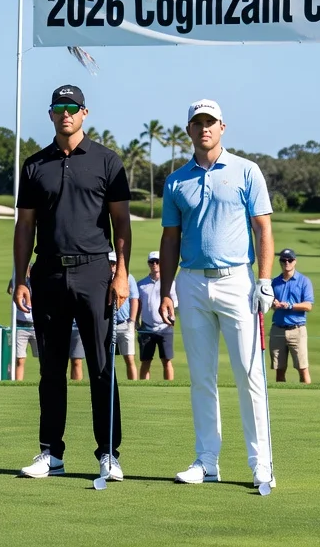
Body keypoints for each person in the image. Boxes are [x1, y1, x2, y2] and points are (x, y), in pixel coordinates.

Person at [13, 85, 131, 483]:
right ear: (51, 114)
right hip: (47, 272)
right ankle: (51, 452)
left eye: (72, 108)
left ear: (84, 113)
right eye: (59, 108)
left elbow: (121, 222)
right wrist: (20, 277)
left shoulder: (106, 160)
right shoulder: (35, 165)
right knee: (51, 369)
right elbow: (25, 226)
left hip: (95, 271)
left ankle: (108, 453)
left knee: (101, 367)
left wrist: (122, 273)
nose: (66, 114)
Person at [156, 98, 274, 491]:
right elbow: (170, 239)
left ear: (222, 127)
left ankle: (261, 464)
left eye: (210, 122)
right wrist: (166, 290)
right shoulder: (176, 181)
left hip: (237, 280)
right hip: (191, 283)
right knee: (202, 378)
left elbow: (263, 229)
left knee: (249, 374)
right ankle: (207, 461)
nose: (204, 128)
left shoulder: (246, 170)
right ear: (188, 130)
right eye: (197, 122)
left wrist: (265, 280)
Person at [269, 249, 314, 384]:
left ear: (295, 261)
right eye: (283, 260)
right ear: (280, 262)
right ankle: (282, 396)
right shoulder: (274, 282)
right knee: (279, 369)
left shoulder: (304, 281)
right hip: (278, 329)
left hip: (297, 329)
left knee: (302, 368)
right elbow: (269, 304)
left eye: (290, 260)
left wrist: (289, 306)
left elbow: (308, 306)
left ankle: (308, 395)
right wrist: (273, 304)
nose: (287, 263)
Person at [136, 251, 176, 381]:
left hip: (165, 327)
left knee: (166, 361)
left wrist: (171, 318)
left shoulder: (170, 283)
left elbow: (174, 303)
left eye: (157, 262)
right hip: (146, 328)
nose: (154, 264)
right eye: (152, 262)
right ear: (148, 264)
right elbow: (138, 305)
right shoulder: (141, 284)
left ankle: (169, 388)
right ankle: (143, 388)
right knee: (145, 362)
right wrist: (136, 321)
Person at [109, 251, 139, 381]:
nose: (111, 266)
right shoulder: (101, 278)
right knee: (107, 358)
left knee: (129, 358)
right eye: (109, 263)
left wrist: (132, 321)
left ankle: (133, 384)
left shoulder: (128, 277)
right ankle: (109, 383)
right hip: (107, 323)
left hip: (124, 323)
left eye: (113, 263)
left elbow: (134, 299)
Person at [8, 275, 39, 381]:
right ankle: (18, 383)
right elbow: (10, 290)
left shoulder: (39, 281)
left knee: (44, 357)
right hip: (21, 326)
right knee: (20, 359)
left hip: (36, 325)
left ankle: (46, 382)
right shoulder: (17, 281)